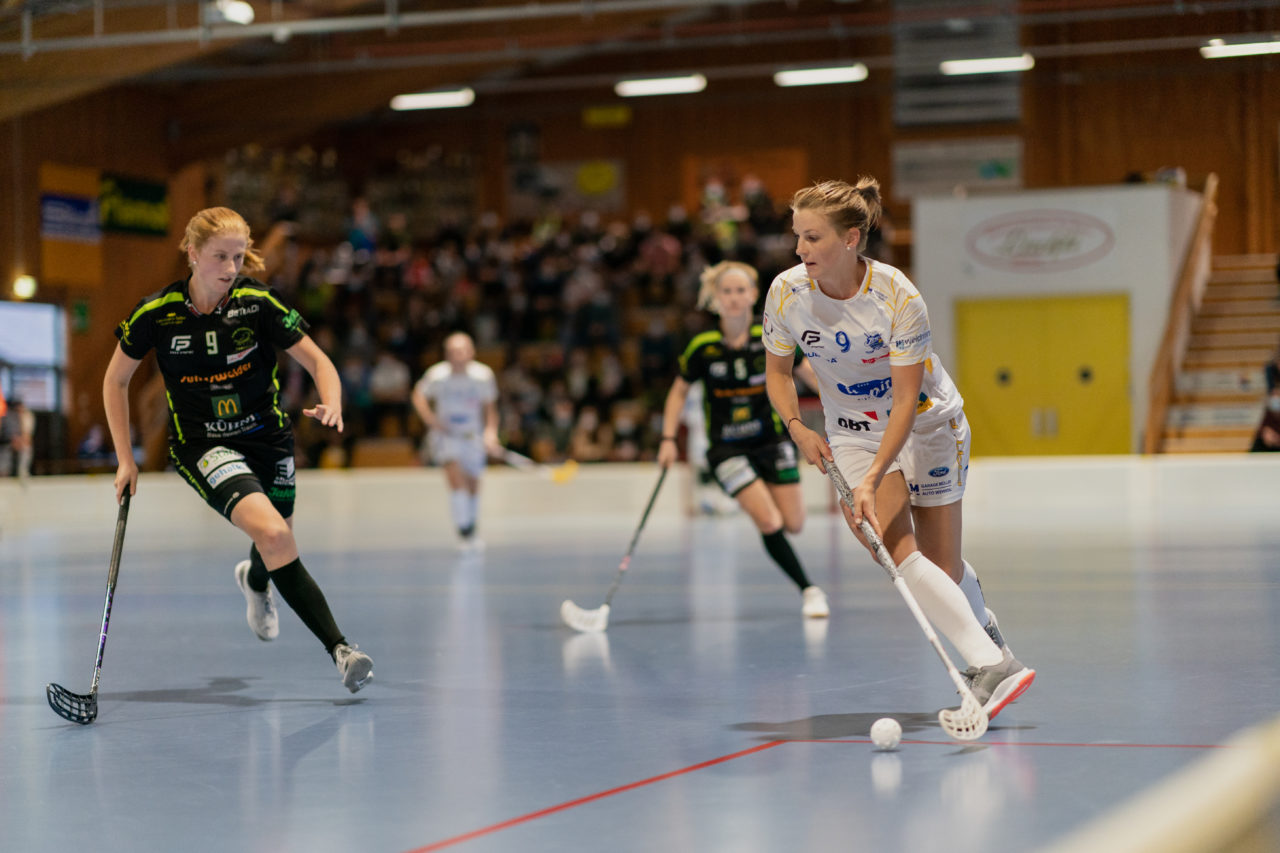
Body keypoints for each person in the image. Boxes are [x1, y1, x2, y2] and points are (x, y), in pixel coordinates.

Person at [763, 177, 1034, 720]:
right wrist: (797, 426)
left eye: (812, 238)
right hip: (851, 432)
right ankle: (991, 664)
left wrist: (871, 477)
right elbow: (778, 373)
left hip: (929, 427)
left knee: (942, 564)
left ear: (851, 238)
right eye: (797, 237)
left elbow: (907, 401)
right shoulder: (786, 293)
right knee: (888, 545)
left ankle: (993, 653)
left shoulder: (899, 297)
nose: (799, 250)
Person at [103, 206, 374, 693]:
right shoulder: (156, 314)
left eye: (237, 256)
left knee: (277, 536)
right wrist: (126, 457)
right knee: (275, 535)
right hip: (204, 444)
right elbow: (115, 380)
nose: (230, 268)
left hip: (269, 438)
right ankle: (342, 651)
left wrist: (331, 401)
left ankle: (254, 581)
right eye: (219, 257)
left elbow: (319, 361)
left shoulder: (258, 304)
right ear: (192, 253)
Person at [658, 260, 830, 618]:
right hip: (726, 448)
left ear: (753, 295)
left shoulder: (770, 336)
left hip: (771, 441)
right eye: (726, 292)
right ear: (715, 299)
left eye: (740, 291)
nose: (734, 298)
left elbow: (806, 372)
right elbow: (677, 393)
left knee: (794, 523)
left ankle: (765, 502)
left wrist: (840, 399)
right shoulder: (702, 347)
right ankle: (809, 590)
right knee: (768, 521)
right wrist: (668, 438)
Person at [411, 331, 502, 550]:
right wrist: (431, 420)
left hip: (473, 435)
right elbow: (418, 395)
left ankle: (471, 527)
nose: (457, 355)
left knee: (472, 483)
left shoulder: (483, 375)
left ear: (471, 352)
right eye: (452, 351)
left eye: (461, 351)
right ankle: (463, 529)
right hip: (447, 435)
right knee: (455, 476)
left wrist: (491, 433)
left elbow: (490, 408)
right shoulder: (437, 375)